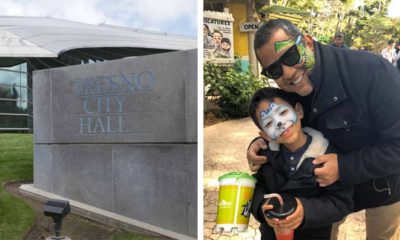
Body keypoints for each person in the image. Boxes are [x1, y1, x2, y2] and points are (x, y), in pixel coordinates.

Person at [247, 19, 400, 239]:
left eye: (291, 55)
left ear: (308, 42)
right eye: (274, 70)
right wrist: (261, 143)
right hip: (326, 194)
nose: (288, 73)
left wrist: (344, 167)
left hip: (384, 187)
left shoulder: (373, 71)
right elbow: (284, 126)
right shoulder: (291, 89)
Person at [249, 87, 353, 240]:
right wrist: (262, 209)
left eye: (283, 113)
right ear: (265, 135)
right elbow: (257, 188)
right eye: (269, 122)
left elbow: (342, 202)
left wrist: (306, 211)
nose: (279, 123)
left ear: (299, 111)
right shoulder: (265, 156)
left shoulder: (328, 156)